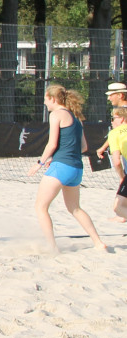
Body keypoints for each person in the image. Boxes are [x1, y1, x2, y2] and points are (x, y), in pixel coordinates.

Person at [29, 84, 109, 253]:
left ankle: (52, 247)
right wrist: (57, 156)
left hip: (61, 167)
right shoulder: (76, 117)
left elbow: (51, 144)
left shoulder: (56, 114)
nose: (45, 103)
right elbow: (84, 146)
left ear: (52, 98)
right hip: (76, 168)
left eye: (45, 99)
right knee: (75, 208)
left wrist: (40, 163)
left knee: (40, 207)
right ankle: (98, 242)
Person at [94, 82, 127, 160]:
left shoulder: (122, 112)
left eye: (111, 95)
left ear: (120, 95)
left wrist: (103, 147)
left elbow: (117, 133)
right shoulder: (120, 110)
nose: (108, 98)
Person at [109, 106, 127, 222]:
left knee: (117, 207)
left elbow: (116, 162)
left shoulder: (114, 133)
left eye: (113, 118)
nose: (111, 121)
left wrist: (122, 177)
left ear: (121, 119)